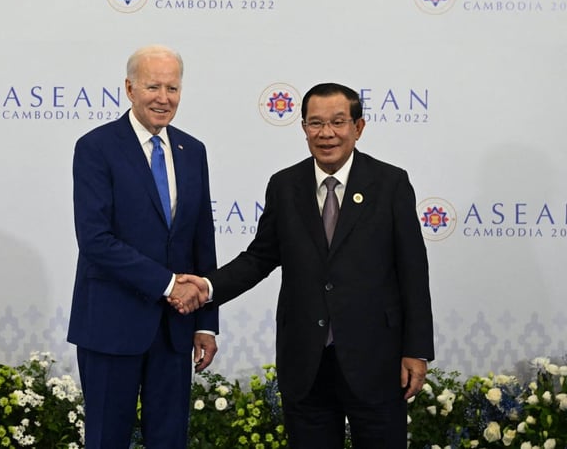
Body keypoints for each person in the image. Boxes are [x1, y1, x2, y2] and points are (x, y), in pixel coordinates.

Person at [175, 82, 434, 449]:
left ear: (358, 128)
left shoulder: (390, 184)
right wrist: (208, 287)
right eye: (315, 123)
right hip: (305, 360)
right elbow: (259, 257)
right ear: (303, 128)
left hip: (376, 358)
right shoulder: (285, 186)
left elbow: (413, 272)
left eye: (338, 122)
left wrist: (416, 349)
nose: (326, 133)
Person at [68, 44, 219, 449]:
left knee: (170, 440)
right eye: (153, 87)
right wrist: (170, 285)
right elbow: (96, 240)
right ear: (129, 88)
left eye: (172, 88)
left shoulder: (193, 150)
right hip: (110, 324)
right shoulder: (96, 147)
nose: (163, 98)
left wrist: (206, 322)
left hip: (176, 329)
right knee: (106, 439)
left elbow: (202, 239)